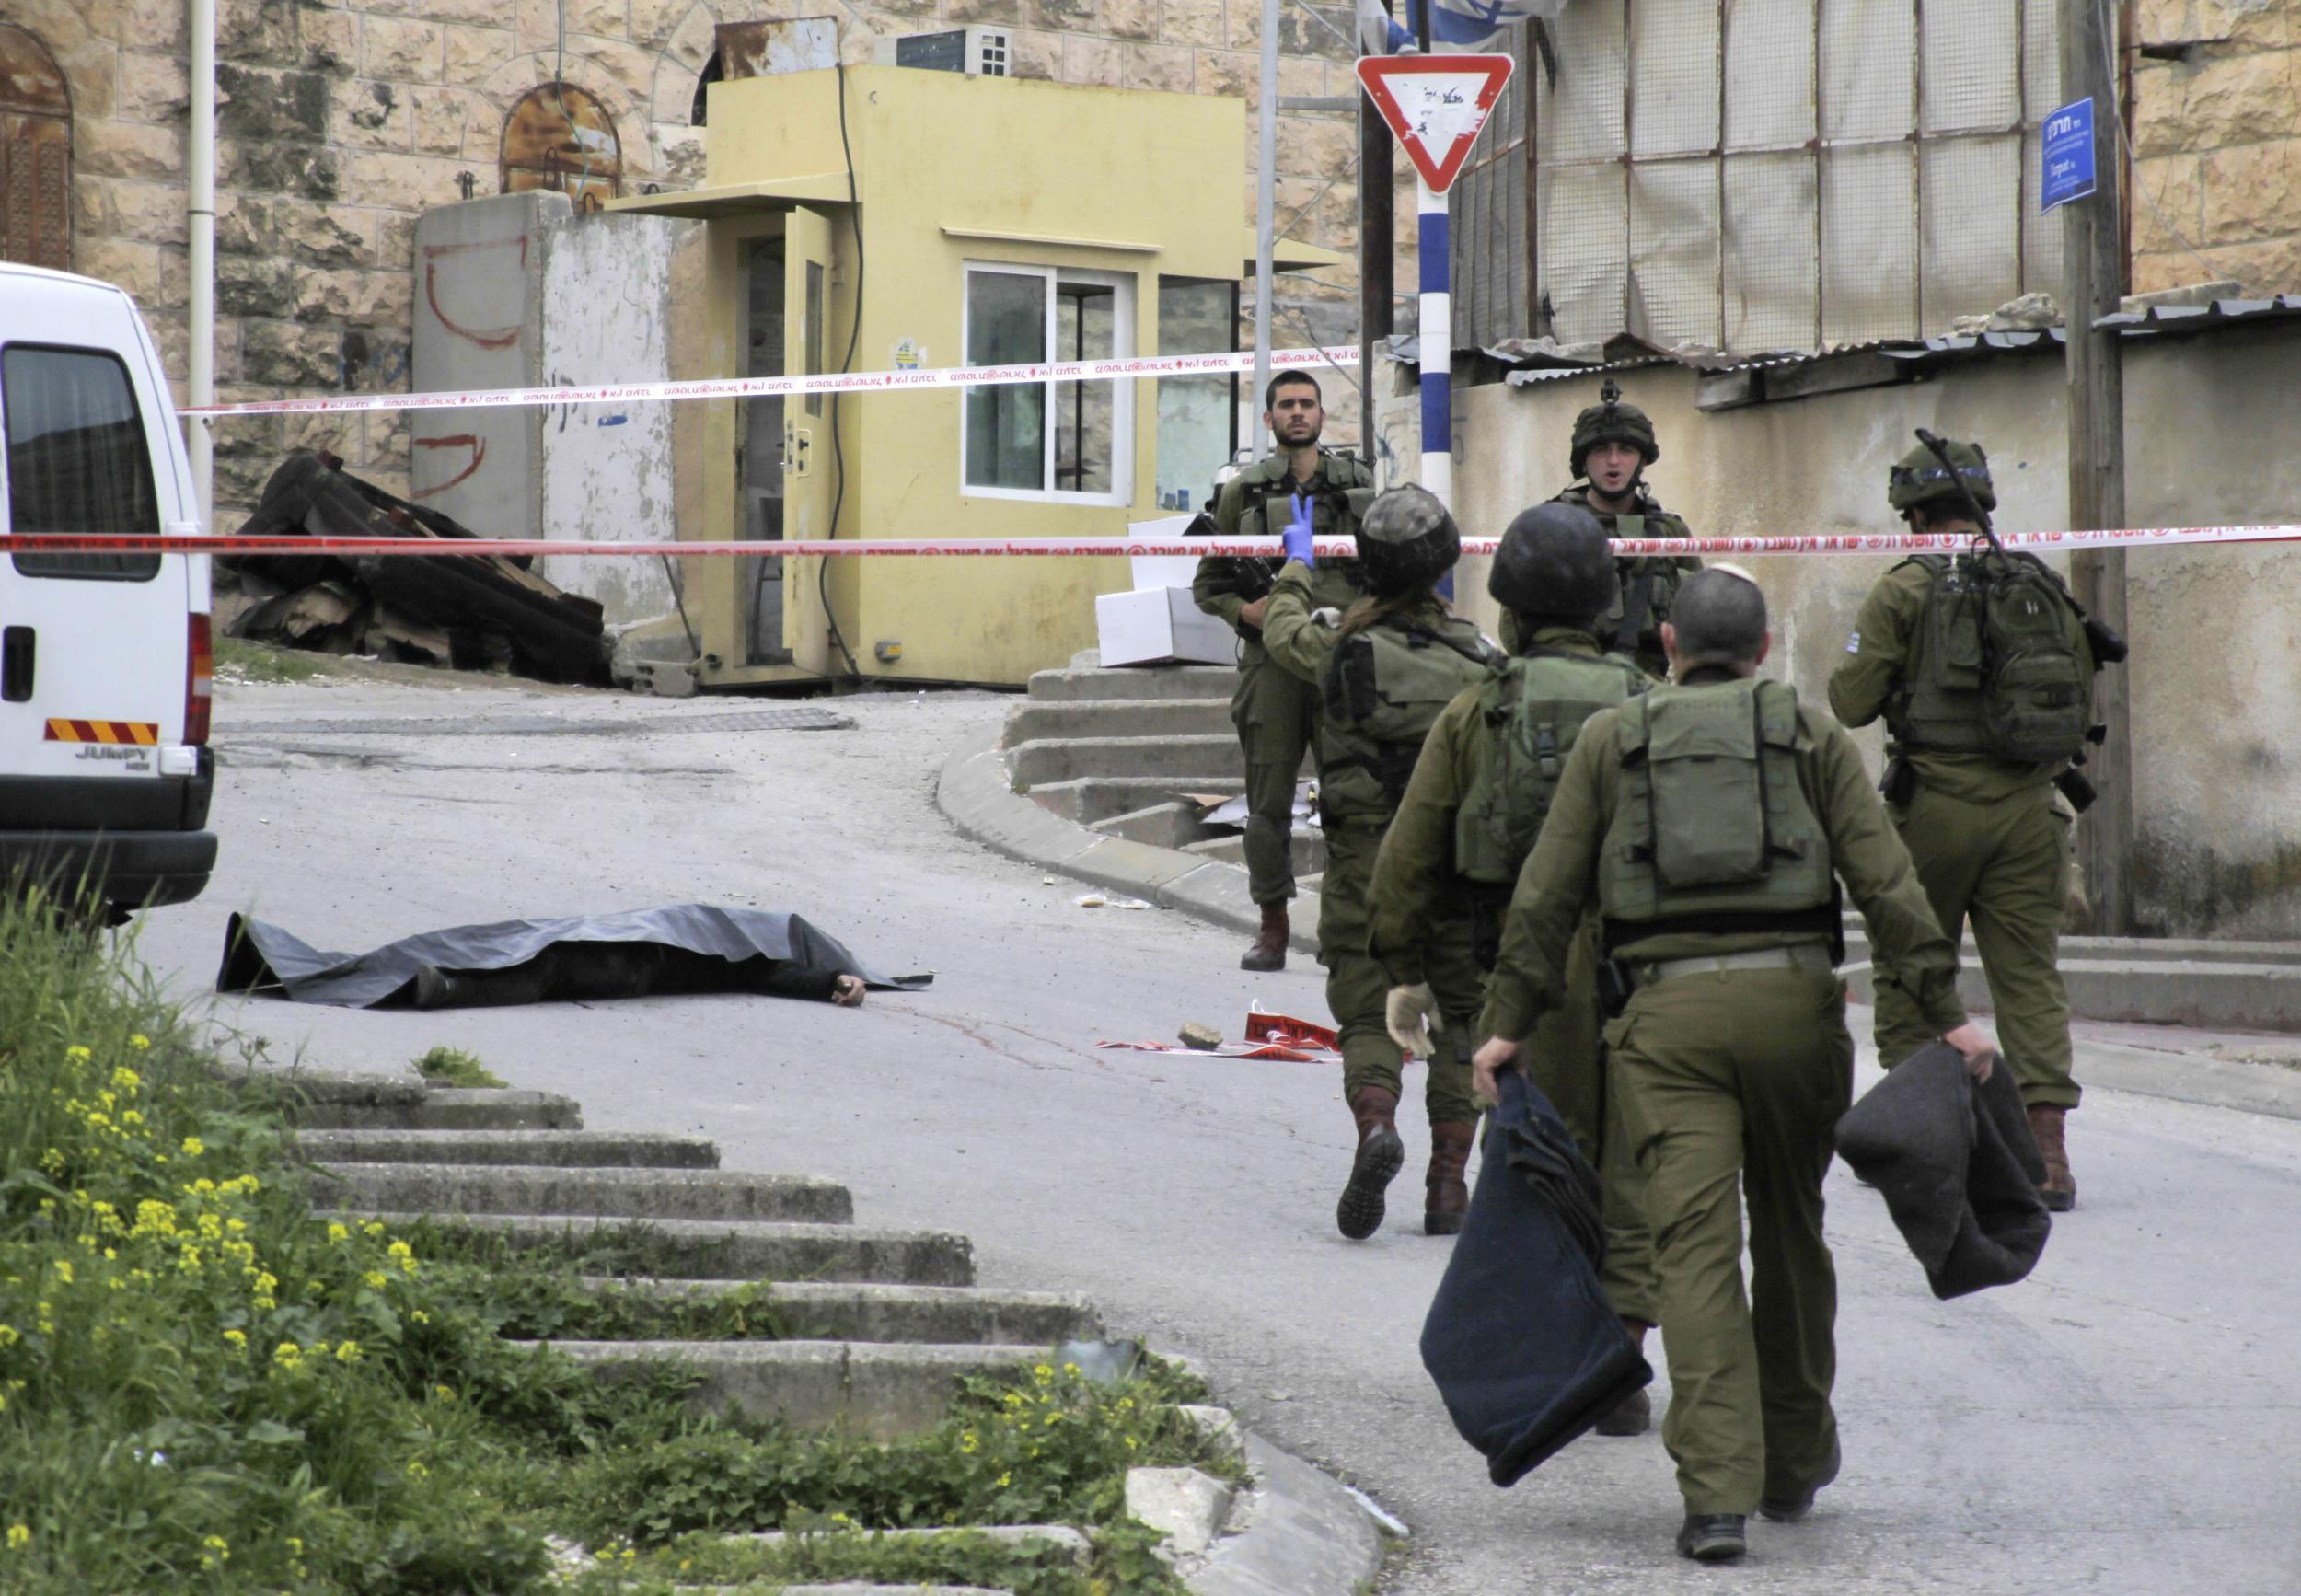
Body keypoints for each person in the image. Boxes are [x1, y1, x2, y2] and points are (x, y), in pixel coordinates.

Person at [1470, 565, 1995, 1563]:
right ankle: (1791, 1467)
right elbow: (1886, 883)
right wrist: (1944, 1014)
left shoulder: (1611, 740)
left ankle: (1714, 1499)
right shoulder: (1808, 735)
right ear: (1762, 651)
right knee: (1793, 1230)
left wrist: (1506, 1024)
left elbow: (1544, 898)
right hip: (1796, 1010)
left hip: (1665, 1025)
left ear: (1666, 646)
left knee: (1693, 1251)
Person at [1365, 501, 1661, 1431]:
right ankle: (1622, 1352)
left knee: (1532, 1162)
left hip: (1518, 974)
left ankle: (1550, 1357)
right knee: (1635, 1163)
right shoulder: (1649, 701)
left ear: (1511, 608)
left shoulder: (1479, 707)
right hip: (1645, 970)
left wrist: (1406, 968)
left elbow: (1405, 864)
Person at [1828, 437, 2116, 1212]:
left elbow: (1849, 701)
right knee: (2029, 978)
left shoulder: (1903, 587)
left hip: (1935, 814)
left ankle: (1921, 1139)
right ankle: (2046, 1153)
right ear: (1983, 505)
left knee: (1909, 965)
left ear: (1914, 514)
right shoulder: (2039, 583)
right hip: (2032, 813)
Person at [1261, 484, 1499, 1239]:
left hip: (1365, 863)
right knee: (1460, 1018)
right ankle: (1449, 1186)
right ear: (1444, 564)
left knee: (1370, 1008)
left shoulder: (1339, 650)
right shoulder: (1484, 664)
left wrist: (1298, 565)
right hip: (1456, 870)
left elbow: (1279, 630)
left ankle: (1374, 1128)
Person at [1191, 370, 1374, 972]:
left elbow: (1381, 570)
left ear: (1323, 415)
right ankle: (1272, 925)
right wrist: (1246, 610)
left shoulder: (1359, 485)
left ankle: (1342, 929)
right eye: (1286, 405)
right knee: (1267, 806)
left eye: (1308, 404)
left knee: (1349, 801)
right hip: (1272, 663)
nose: (1298, 413)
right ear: (1268, 420)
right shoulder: (1242, 492)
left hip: (1338, 657)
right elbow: (1209, 585)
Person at [1550, 379, 1701, 679]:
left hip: (1650, 691)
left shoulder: (1669, 532)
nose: (1614, 461)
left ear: (1642, 459)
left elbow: (1698, 619)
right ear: (1583, 460)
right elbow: (1517, 628)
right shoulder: (1552, 528)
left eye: (1626, 449)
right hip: (1570, 686)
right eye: (1601, 449)